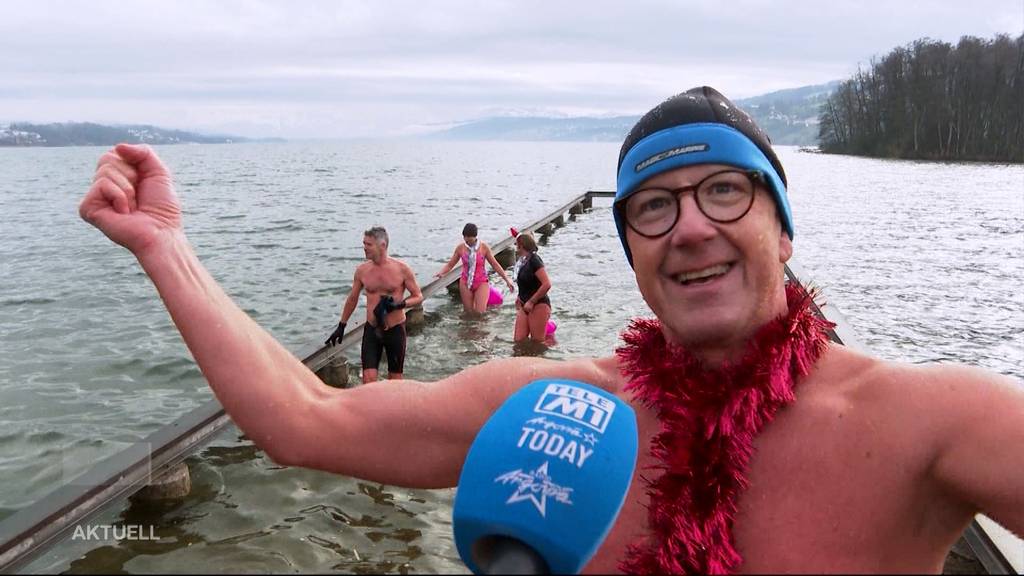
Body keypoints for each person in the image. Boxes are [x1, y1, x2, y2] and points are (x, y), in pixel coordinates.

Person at [79, 86, 1022, 574]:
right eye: (651, 208)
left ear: (782, 223)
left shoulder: (931, 421)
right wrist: (167, 250)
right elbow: (301, 422)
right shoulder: (554, 409)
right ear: (634, 253)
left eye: (724, 191)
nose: (689, 225)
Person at [323, 226, 423, 384]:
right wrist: (341, 325)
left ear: (382, 245)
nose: (364, 248)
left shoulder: (402, 269)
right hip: (372, 329)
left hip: (395, 329)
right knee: (368, 380)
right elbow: (352, 299)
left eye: (368, 244)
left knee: (395, 380)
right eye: (364, 243)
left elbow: (418, 296)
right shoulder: (362, 270)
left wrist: (400, 304)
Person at [434, 222, 515, 313]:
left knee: (480, 313)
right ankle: (468, 327)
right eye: (465, 237)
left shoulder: (484, 247)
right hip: (465, 282)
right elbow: (450, 265)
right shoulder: (460, 248)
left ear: (475, 236)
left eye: (469, 238)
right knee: (468, 312)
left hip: (481, 282)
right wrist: (441, 272)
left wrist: (507, 280)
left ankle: (480, 326)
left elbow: (495, 264)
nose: (466, 240)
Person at [511, 232, 553, 343]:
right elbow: (524, 282)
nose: (516, 248)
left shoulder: (535, 260)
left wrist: (532, 301)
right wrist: (519, 297)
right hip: (523, 304)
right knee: (518, 342)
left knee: (537, 343)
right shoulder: (522, 261)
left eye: (517, 245)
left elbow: (547, 284)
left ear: (522, 246)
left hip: (538, 304)